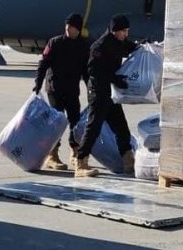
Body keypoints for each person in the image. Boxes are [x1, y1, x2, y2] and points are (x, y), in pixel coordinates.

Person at [73, 14, 138, 178]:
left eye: (127, 31)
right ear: (115, 31)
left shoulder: (119, 42)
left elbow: (133, 48)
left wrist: (146, 48)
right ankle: (81, 162)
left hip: (110, 92)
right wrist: (115, 78)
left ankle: (129, 162)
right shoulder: (99, 46)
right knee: (94, 126)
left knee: (122, 128)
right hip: (98, 91)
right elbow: (93, 71)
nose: (126, 34)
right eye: (124, 31)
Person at [33, 13, 89, 170]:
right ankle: (52, 155)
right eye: (66, 26)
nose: (67, 29)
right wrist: (37, 84)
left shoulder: (83, 46)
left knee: (75, 122)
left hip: (72, 90)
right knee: (56, 123)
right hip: (54, 89)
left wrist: (91, 88)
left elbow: (86, 71)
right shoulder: (55, 42)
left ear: (77, 29)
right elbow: (43, 64)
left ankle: (75, 152)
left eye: (71, 27)